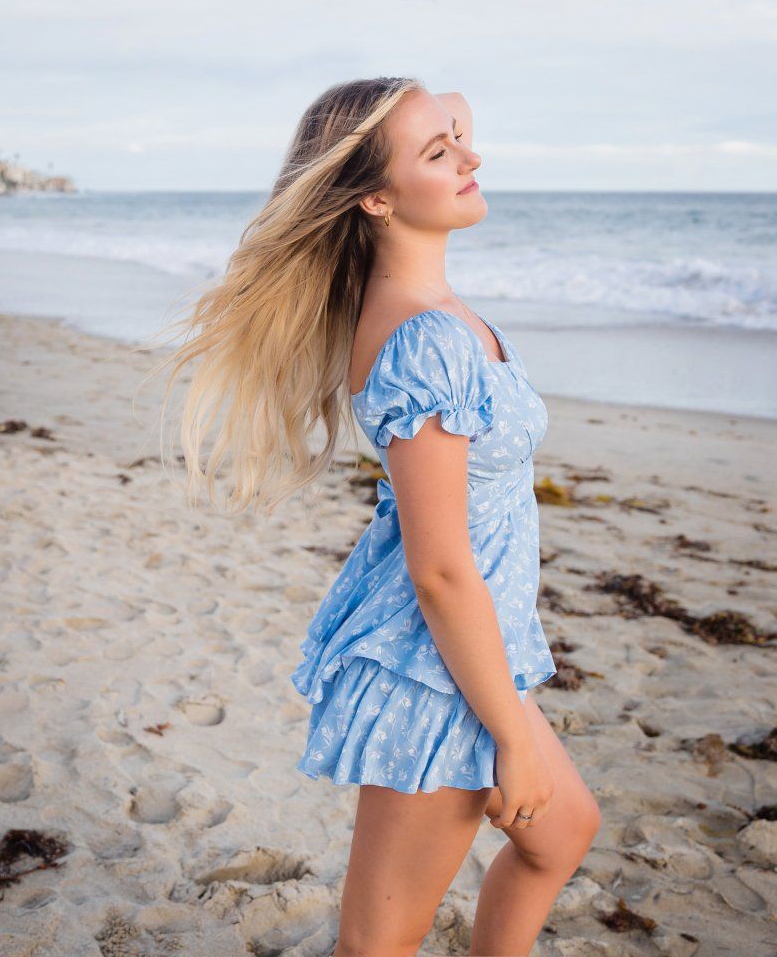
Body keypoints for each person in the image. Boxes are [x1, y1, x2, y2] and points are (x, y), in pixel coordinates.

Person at [150, 78, 599, 955]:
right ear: (377, 198)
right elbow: (438, 567)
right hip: (430, 669)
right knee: (378, 944)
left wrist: (424, 114)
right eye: (440, 153)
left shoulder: (440, 313)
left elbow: (447, 107)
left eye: (460, 139)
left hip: (475, 651)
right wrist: (509, 734)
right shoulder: (423, 340)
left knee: (563, 832)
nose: (471, 156)